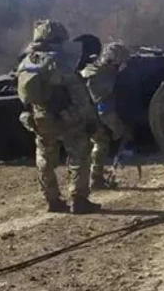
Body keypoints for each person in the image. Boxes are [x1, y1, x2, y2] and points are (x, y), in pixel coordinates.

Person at [16, 19, 103, 214]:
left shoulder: (26, 61)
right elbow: (78, 94)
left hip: (39, 116)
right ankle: (79, 200)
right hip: (67, 116)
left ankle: (52, 200)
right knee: (79, 154)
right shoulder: (59, 61)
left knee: (44, 157)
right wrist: (90, 119)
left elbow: (23, 94)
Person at [79, 41, 133, 190]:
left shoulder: (92, 69)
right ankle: (95, 179)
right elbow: (104, 111)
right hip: (85, 115)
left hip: (77, 112)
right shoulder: (103, 78)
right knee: (101, 141)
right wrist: (119, 129)